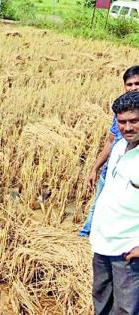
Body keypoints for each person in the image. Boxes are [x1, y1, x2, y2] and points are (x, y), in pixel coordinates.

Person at [89, 91, 139, 314]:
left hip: (128, 251)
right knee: (102, 301)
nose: (127, 128)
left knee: (127, 309)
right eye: (122, 122)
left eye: (134, 121)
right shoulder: (119, 148)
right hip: (103, 244)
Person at [79, 66, 139, 237]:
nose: (134, 88)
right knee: (99, 206)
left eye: (137, 83)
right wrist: (95, 168)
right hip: (110, 172)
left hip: (131, 180)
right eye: (129, 84)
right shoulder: (120, 109)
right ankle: (86, 235)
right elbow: (111, 141)